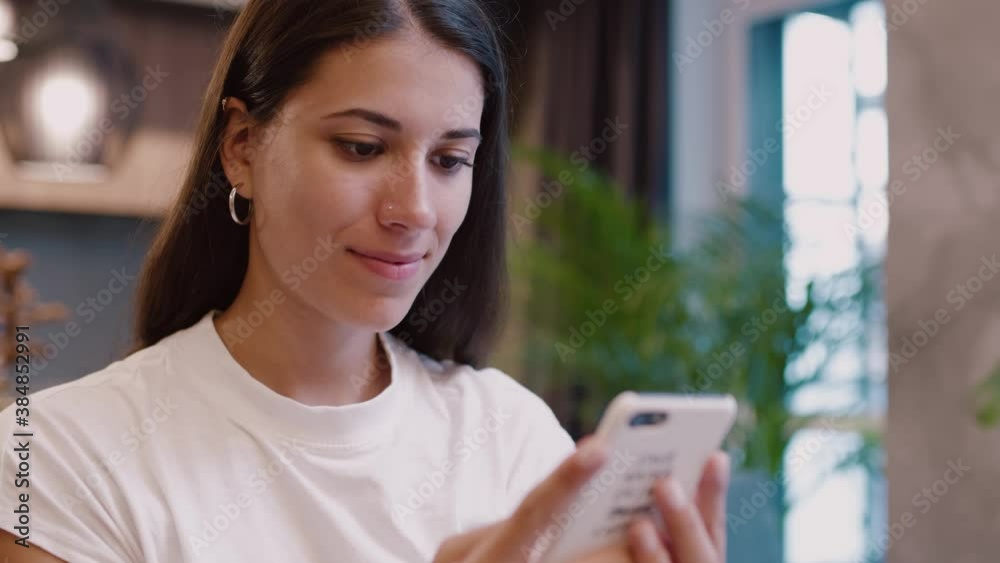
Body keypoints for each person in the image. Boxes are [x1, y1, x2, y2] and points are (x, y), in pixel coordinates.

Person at [0, 1, 730, 561]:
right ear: (242, 147)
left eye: (449, 160)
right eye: (362, 146)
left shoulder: (512, 437)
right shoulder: (58, 459)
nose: (412, 210)